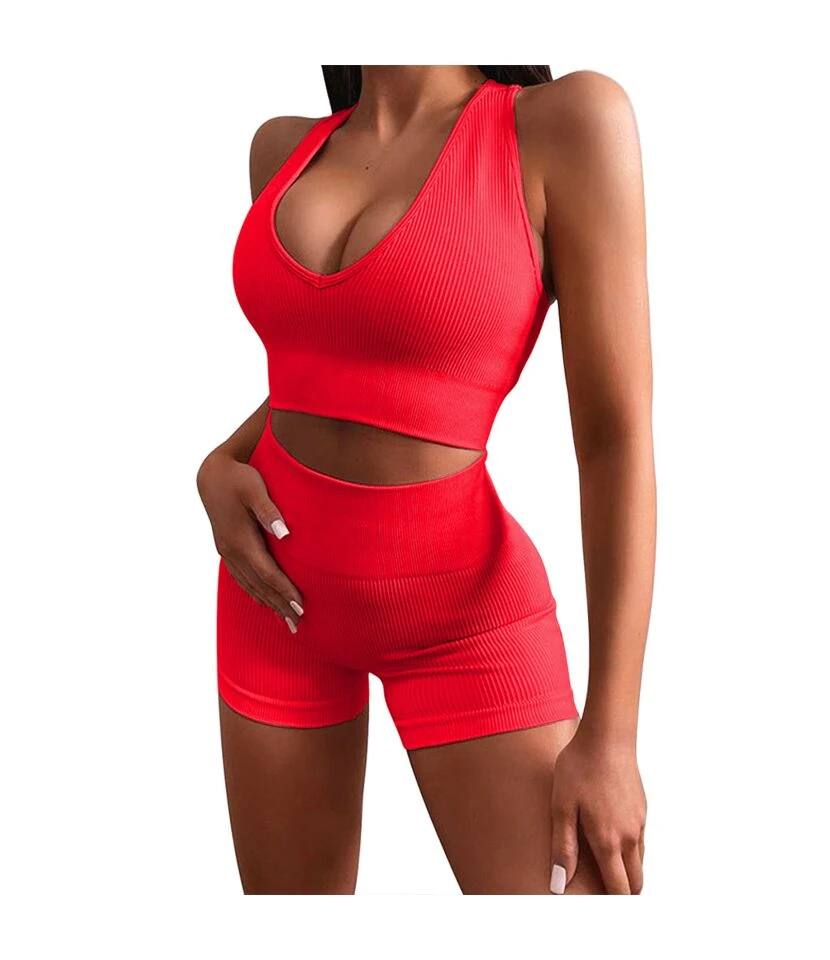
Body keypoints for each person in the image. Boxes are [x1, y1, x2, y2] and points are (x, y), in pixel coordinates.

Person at [197, 65, 655, 895]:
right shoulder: (281, 149)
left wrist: (612, 736)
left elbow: (614, 441)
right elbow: (331, 369)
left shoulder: (564, 125)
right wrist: (218, 463)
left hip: (463, 622)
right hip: (274, 598)